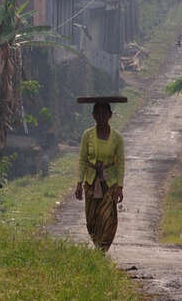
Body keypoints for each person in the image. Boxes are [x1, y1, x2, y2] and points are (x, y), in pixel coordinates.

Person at [75, 100, 125, 251]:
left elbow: (120, 163)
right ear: (93, 115)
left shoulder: (117, 138)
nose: (101, 116)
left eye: (104, 113)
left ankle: (102, 249)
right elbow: (82, 159)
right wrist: (79, 183)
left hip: (110, 183)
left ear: (110, 115)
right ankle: (97, 244)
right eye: (98, 113)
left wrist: (120, 186)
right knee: (92, 219)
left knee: (108, 218)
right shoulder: (87, 135)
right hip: (91, 182)